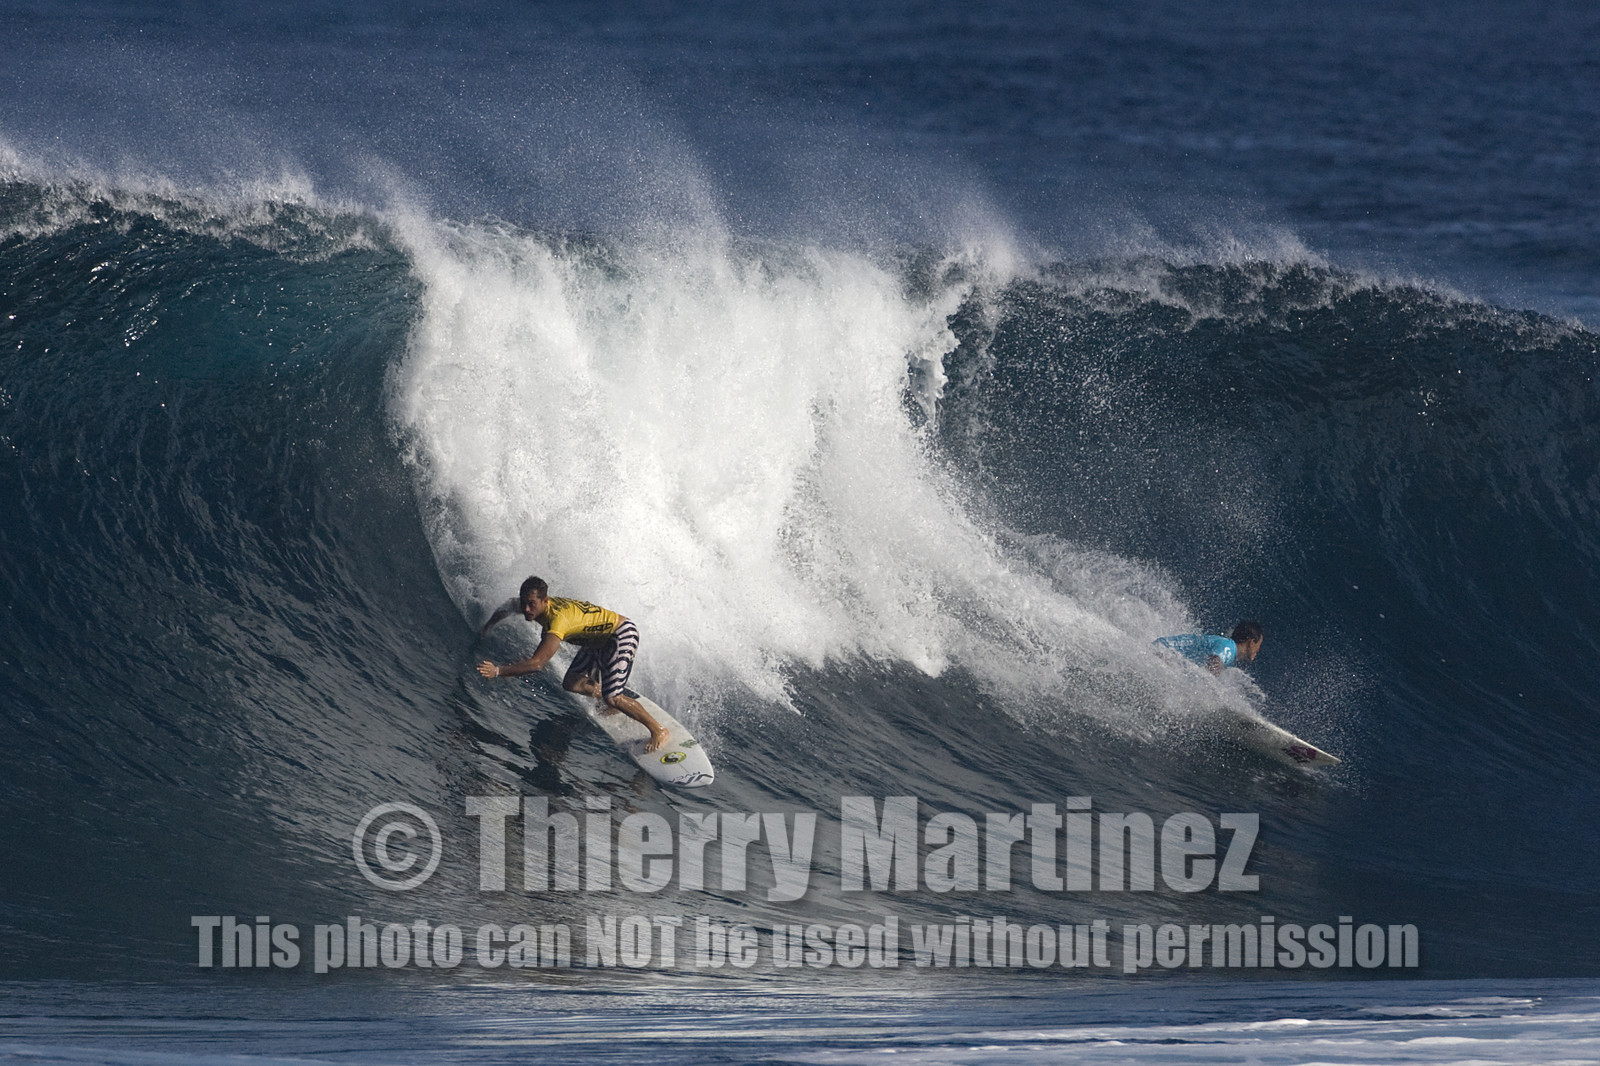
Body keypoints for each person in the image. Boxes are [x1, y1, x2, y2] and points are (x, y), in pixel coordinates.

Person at [477, 576, 670, 753]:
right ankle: (608, 695)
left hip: (620, 634)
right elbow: (509, 605)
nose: (526, 609)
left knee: (613, 698)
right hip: (596, 640)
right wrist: (488, 625)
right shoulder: (533, 605)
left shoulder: (558, 621)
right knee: (572, 683)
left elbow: (536, 664)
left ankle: (658, 730)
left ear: (545, 601)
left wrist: (498, 671)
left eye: (531, 604)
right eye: (524, 603)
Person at [1154, 621, 1265, 676]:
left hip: (1161, 649)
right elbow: (1214, 661)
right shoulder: (1228, 648)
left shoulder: (1229, 651)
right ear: (1251, 642)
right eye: (1259, 645)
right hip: (1162, 652)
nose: (1258, 650)